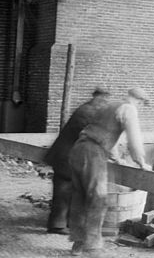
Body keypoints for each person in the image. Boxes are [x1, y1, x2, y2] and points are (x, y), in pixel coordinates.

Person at [68, 87, 152, 256]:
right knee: (98, 199)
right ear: (140, 102)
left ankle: (78, 243)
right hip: (93, 154)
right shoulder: (129, 109)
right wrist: (142, 162)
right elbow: (133, 140)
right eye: (142, 104)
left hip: (79, 149)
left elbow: (103, 132)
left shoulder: (110, 106)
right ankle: (92, 247)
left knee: (80, 197)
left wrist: (116, 158)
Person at [44, 87, 111, 234]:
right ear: (97, 97)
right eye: (104, 98)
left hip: (67, 155)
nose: (106, 102)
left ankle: (64, 222)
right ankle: (57, 225)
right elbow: (96, 135)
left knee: (69, 190)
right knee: (64, 190)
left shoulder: (88, 109)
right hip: (66, 156)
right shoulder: (88, 112)